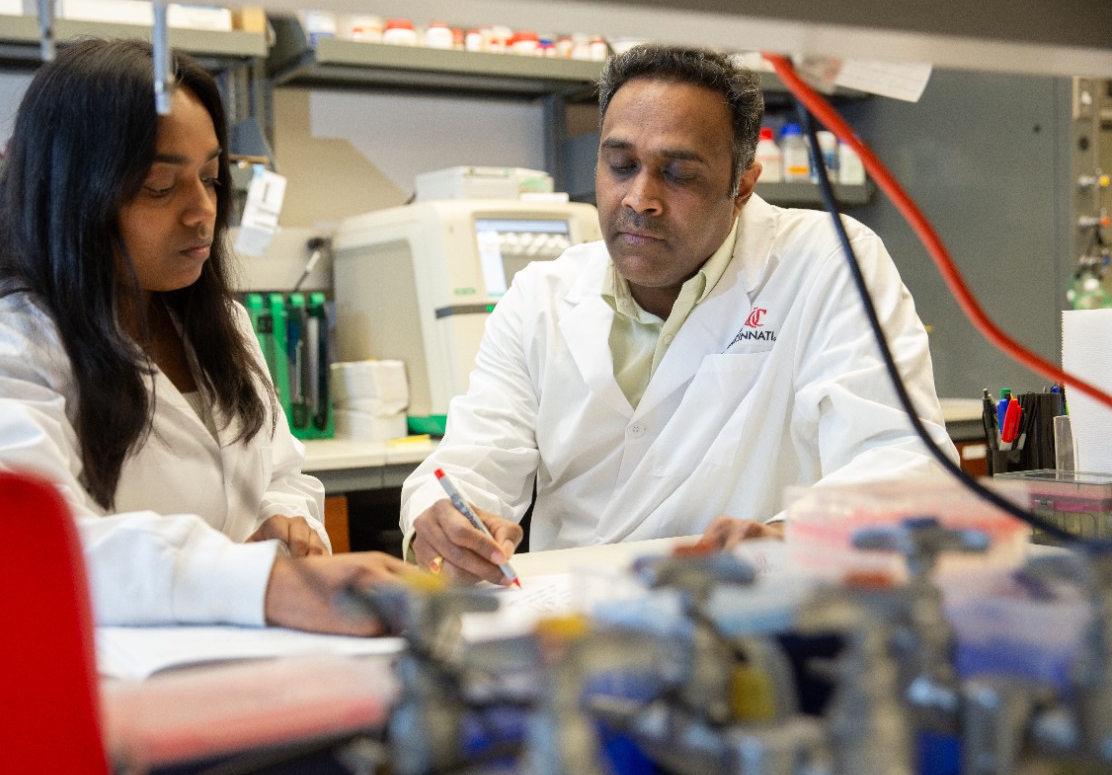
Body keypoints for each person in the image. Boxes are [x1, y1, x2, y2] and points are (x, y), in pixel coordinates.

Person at [0, 38, 418, 633]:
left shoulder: (218, 323)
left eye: (210, 177)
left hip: (228, 659)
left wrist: (284, 522)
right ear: (72, 191)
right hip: (79, 672)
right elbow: (28, 547)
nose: (203, 211)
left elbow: (281, 473)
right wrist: (258, 583)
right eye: (159, 186)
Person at [401, 44, 957, 584]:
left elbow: (899, 455)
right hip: (570, 611)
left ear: (742, 186)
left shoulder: (827, 260)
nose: (639, 198)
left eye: (679, 174)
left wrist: (791, 538)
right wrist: (444, 522)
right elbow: (473, 459)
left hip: (744, 602)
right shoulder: (540, 296)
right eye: (621, 165)